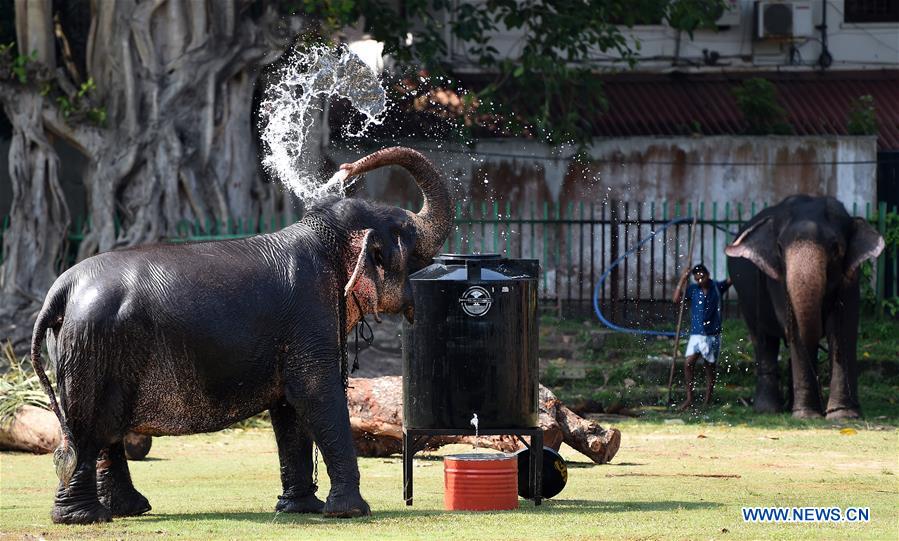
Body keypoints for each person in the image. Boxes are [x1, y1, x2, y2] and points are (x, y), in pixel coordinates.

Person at [672, 263, 732, 410]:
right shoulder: (693, 289)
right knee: (688, 363)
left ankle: (708, 400)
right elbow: (676, 299)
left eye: (702, 277)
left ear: (708, 275)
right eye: (697, 278)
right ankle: (689, 398)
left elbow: (732, 279)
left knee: (709, 367)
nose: (700, 281)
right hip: (696, 334)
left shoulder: (717, 287)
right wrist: (682, 280)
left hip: (712, 334)